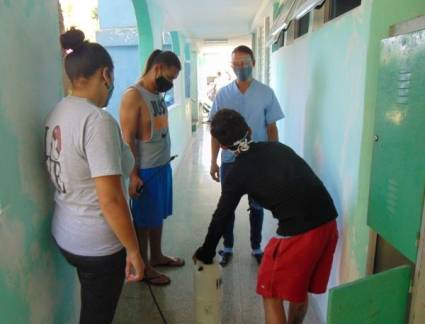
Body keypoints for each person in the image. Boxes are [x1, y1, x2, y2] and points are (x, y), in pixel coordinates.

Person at [194, 109, 339, 324]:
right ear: (249, 130)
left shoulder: (237, 173)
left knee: (270, 293)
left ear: (223, 147)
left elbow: (221, 216)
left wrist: (206, 252)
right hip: (328, 222)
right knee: (300, 291)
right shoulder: (278, 147)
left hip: (299, 234)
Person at [45, 28, 144, 324]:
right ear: (105, 75)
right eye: (111, 77)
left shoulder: (58, 112)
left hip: (65, 234)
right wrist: (134, 250)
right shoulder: (97, 120)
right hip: (98, 245)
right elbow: (112, 200)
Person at [209, 45, 284, 266]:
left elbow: (271, 128)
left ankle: (256, 246)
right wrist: (213, 161)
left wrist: (274, 158)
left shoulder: (266, 93)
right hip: (230, 162)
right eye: (236, 64)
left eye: (244, 62)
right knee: (227, 207)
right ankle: (228, 246)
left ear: (253, 63)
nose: (240, 67)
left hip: (257, 161)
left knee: (257, 206)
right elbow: (215, 131)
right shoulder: (223, 94)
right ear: (231, 66)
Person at [120, 50, 185, 286]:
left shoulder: (156, 94)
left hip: (161, 166)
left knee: (157, 217)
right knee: (143, 220)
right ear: (157, 68)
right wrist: (133, 175)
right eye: (169, 77)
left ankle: (156, 256)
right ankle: (144, 266)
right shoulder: (133, 96)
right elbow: (127, 139)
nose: (169, 84)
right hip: (145, 171)